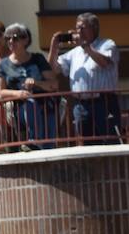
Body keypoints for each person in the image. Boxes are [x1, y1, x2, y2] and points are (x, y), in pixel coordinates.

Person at [48, 12, 120, 143]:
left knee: (110, 141)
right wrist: (54, 47)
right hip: (80, 104)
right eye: (77, 28)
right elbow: (54, 69)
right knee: (87, 143)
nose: (78, 31)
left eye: (82, 27)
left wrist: (85, 46)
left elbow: (104, 62)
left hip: (104, 102)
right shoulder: (74, 53)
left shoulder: (107, 44)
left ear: (94, 28)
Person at [0, 24, 59, 148]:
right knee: (30, 102)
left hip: (45, 107)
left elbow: (54, 84)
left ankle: (37, 143)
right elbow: (1, 91)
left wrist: (37, 83)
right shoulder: (3, 64)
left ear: (25, 40)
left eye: (15, 38)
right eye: (7, 38)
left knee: (49, 149)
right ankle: (33, 140)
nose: (11, 41)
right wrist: (18, 93)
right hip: (21, 108)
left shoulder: (37, 59)